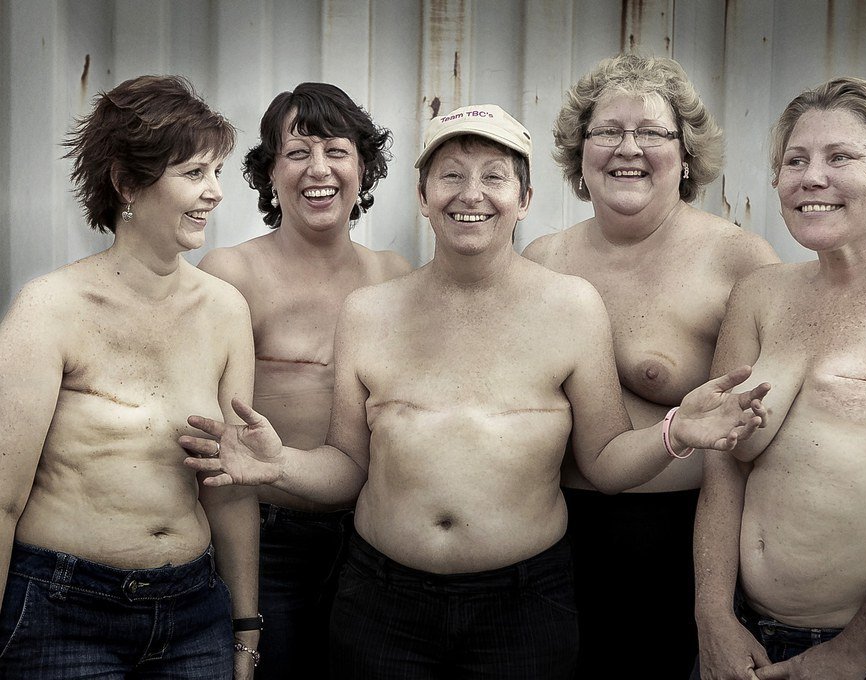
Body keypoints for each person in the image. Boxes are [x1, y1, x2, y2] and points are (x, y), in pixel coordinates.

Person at [180, 103, 771, 680]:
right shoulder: (369, 311)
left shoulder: (571, 306)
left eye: (494, 177)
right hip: (382, 600)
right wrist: (281, 464)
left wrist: (675, 431)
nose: (471, 194)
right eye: (451, 176)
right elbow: (348, 467)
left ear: (525, 198)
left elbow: (604, 462)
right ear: (422, 195)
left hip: (524, 603)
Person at [692, 77, 866, 680]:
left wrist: (851, 655)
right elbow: (722, 466)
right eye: (795, 160)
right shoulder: (759, 294)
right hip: (753, 638)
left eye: (840, 157)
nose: (811, 177)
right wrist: (713, 616)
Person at [523, 52, 779, 678]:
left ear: (686, 155)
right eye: (607, 131)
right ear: (580, 153)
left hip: (670, 545)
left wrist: (717, 602)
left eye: (652, 133)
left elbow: (764, 434)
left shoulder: (737, 260)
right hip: (545, 539)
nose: (628, 148)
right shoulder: (542, 257)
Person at [0, 75, 260, 678]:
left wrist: (245, 627)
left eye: (217, 171)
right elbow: (3, 499)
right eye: (194, 173)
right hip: (65, 610)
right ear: (126, 183)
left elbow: (231, 485)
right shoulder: (49, 307)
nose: (216, 191)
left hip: (194, 613)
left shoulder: (225, 310)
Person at [196, 82, 411, 679]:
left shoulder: (393, 276)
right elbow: (210, 436)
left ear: (364, 169)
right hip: (268, 539)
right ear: (270, 173)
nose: (318, 169)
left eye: (337, 151)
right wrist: (243, 613)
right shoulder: (232, 272)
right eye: (297, 153)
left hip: (372, 539)